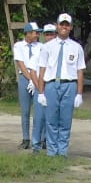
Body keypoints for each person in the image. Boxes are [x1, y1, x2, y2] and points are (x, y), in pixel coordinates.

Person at [35, 11, 85, 157]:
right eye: (61, 24)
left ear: (71, 27)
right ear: (57, 26)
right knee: (51, 119)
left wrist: (79, 94)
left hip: (69, 85)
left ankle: (62, 151)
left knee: (65, 120)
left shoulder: (76, 47)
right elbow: (42, 70)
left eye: (66, 25)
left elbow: (80, 71)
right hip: (51, 84)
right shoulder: (48, 46)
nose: (64, 27)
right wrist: (41, 92)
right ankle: (51, 151)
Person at [12, 21, 40, 149]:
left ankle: (38, 138)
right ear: (28, 33)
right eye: (35, 33)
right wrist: (30, 79)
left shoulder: (40, 46)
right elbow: (21, 64)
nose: (37, 35)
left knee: (39, 110)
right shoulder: (19, 46)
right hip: (25, 78)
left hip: (37, 78)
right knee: (25, 110)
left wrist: (35, 80)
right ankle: (25, 138)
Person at [30, 23, 58, 152]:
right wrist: (40, 88)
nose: (49, 37)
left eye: (52, 34)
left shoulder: (58, 50)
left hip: (52, 87)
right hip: (40, 88)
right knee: (39, 118)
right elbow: (33, 72)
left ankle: (48, 142)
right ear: (43, 36)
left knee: (52, 117)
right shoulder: (39, 50)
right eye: (47, 34)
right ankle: (36, 144)